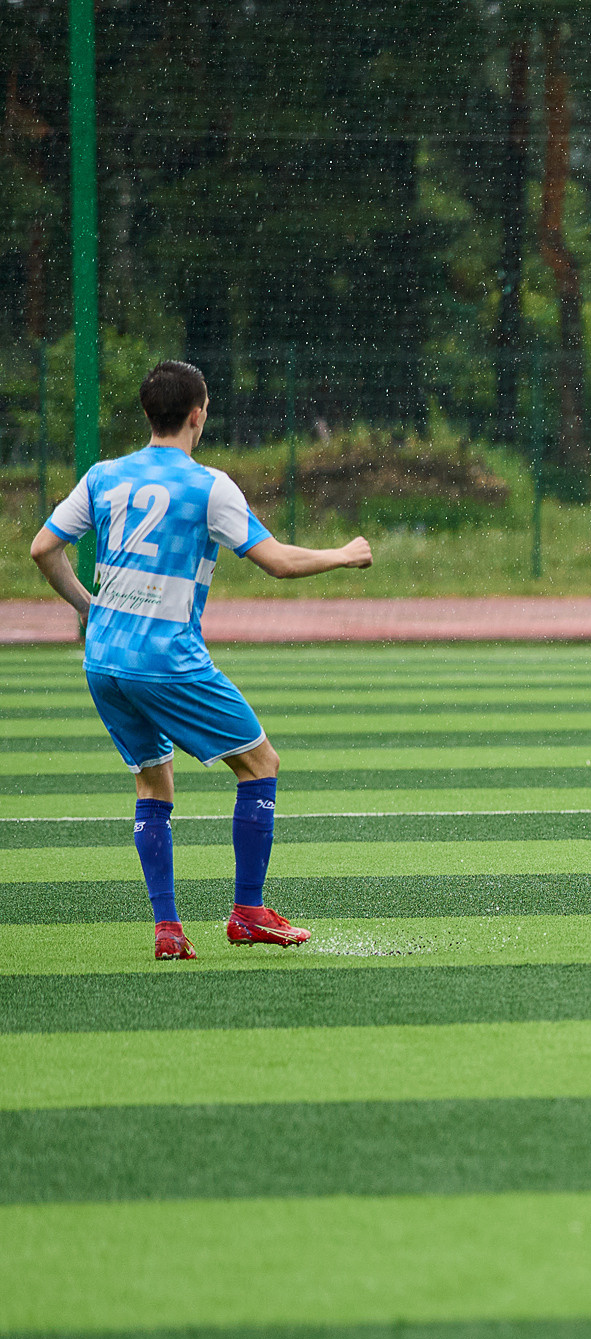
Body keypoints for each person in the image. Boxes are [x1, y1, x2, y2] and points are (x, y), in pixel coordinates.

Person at [26, 360, 372, 960]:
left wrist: (89, 608)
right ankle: (248, 912)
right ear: (197, 415)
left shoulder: (105, 476)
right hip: (166, 659)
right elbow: (277, 562)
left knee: (152, 777)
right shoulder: (209, 486)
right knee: (260, 764)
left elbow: (42, 548)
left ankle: (168, 929)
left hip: (104, 660)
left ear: (148, 414)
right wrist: (343, 554)